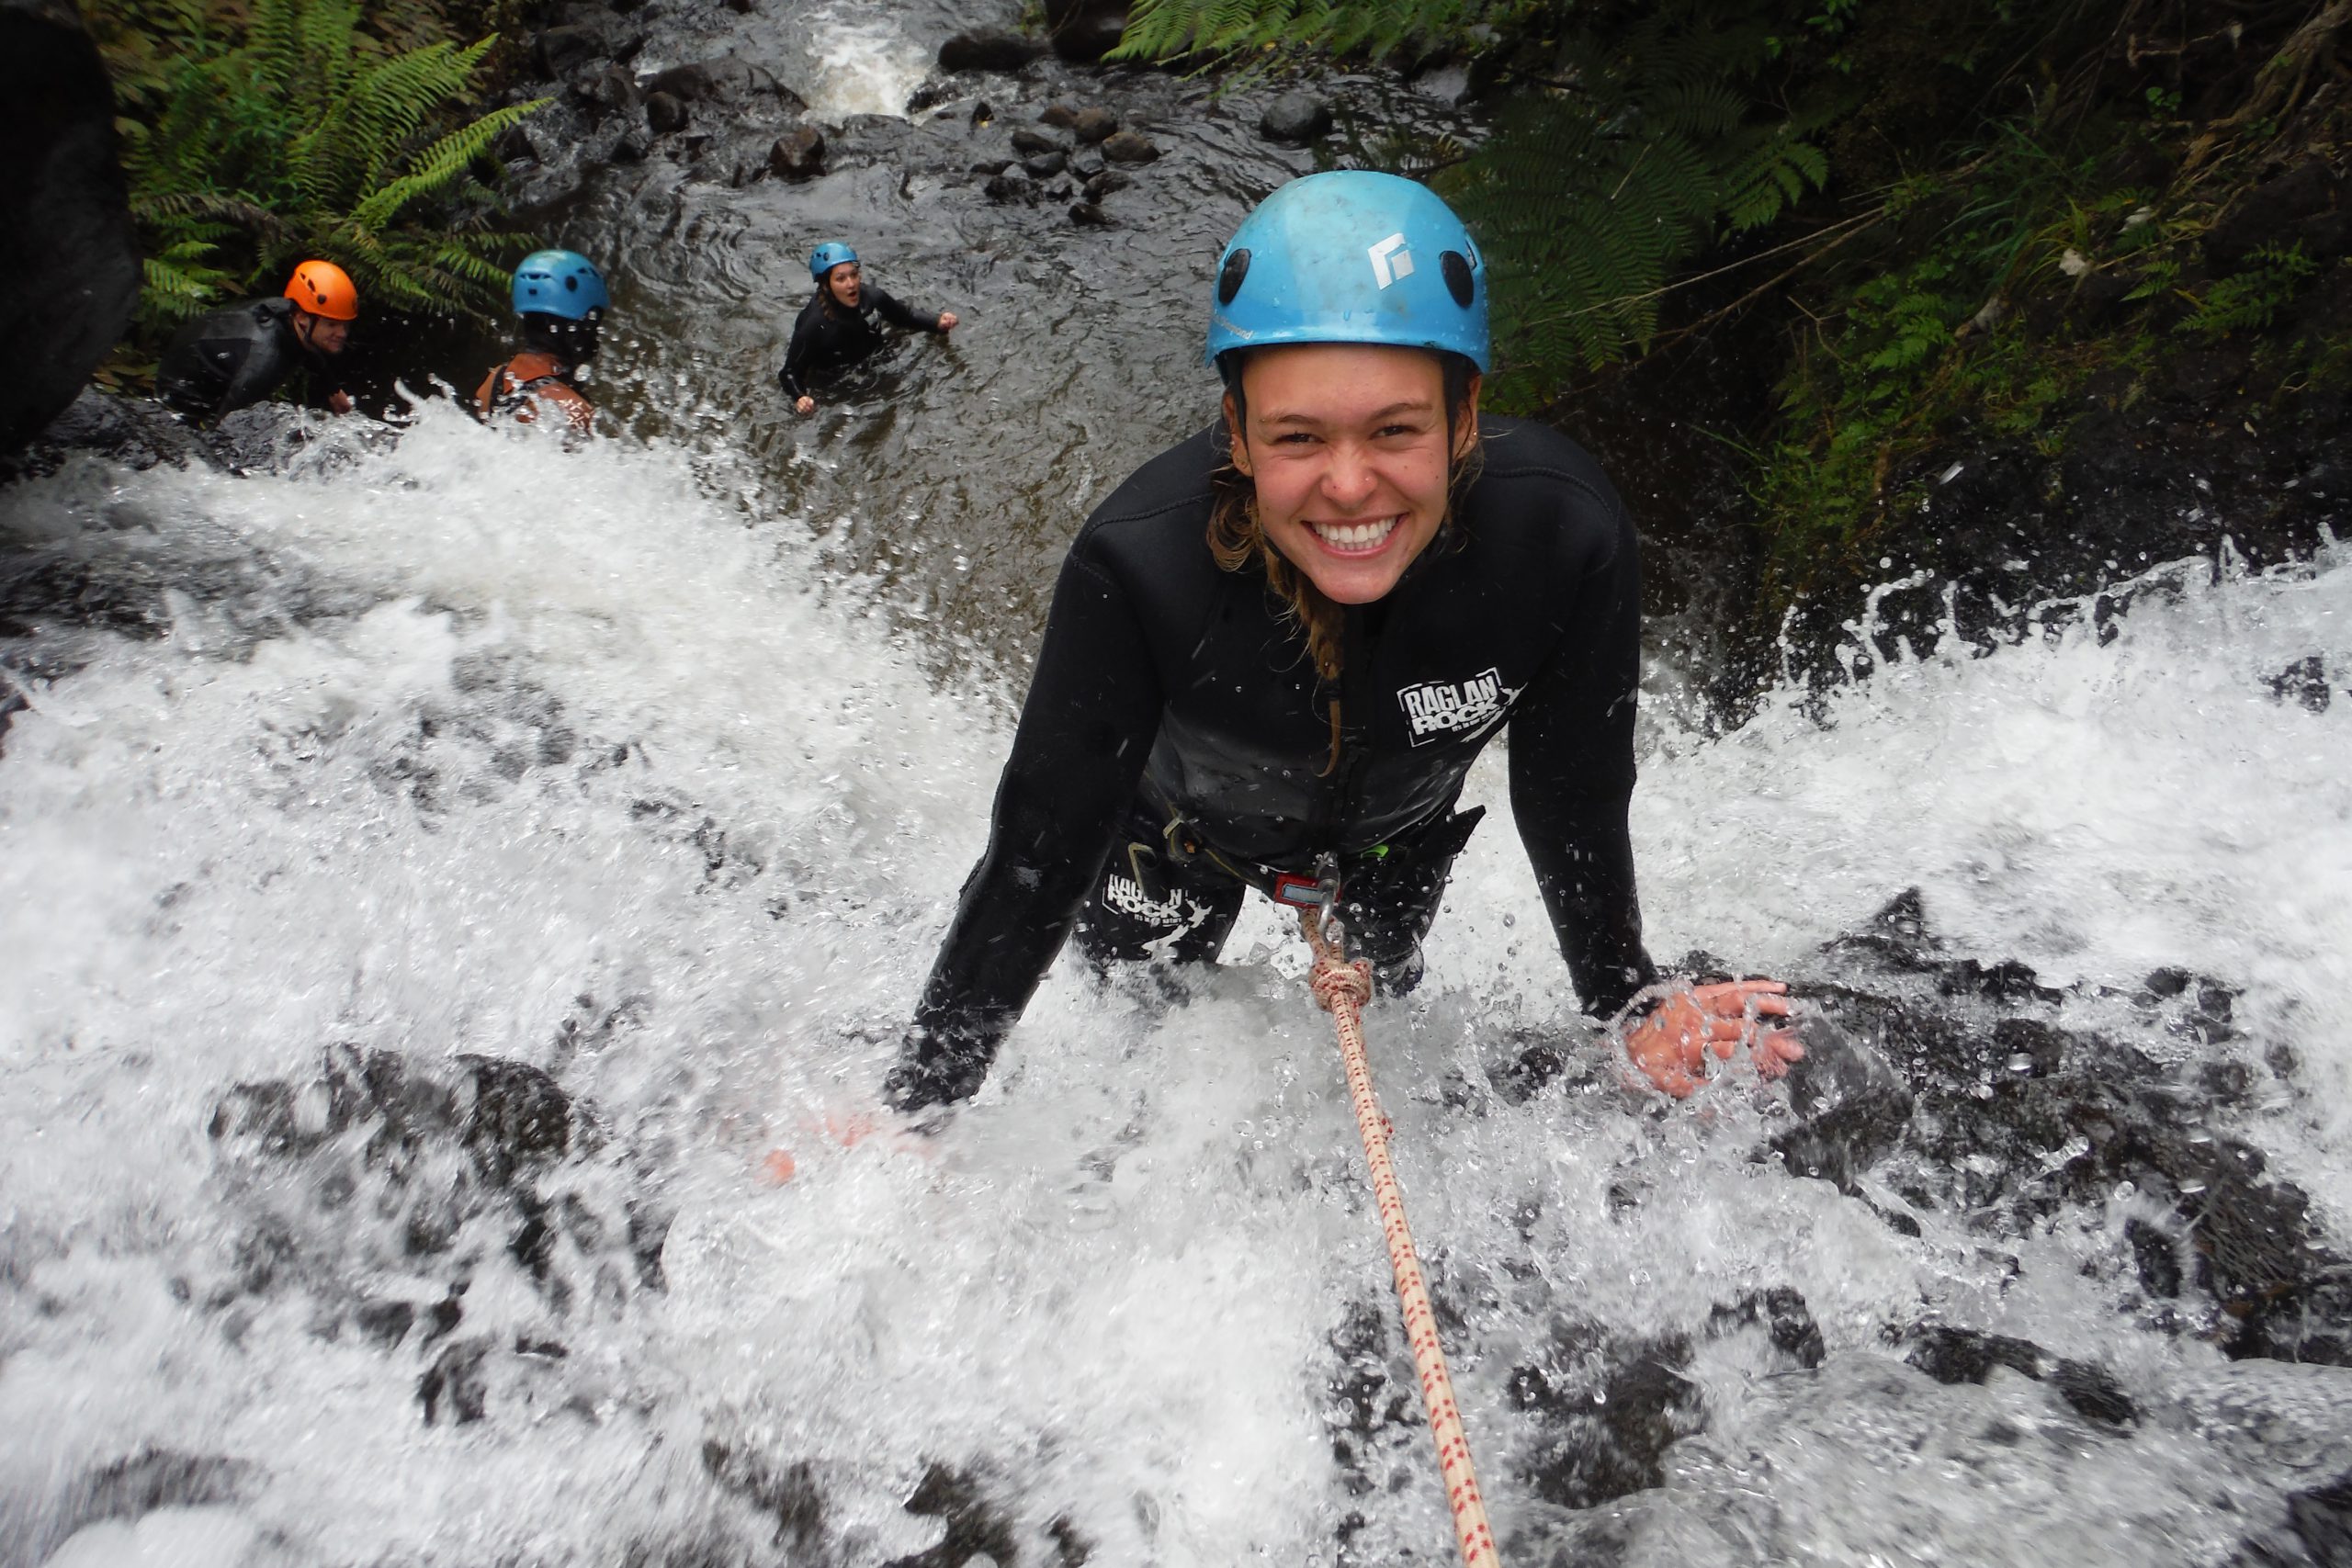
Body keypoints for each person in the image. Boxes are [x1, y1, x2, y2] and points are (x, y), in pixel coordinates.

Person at [883, 171, 1800, 1117]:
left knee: (1383, 1031)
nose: (1351, 487)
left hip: (1394, 845)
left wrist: (1626, 1002)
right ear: (1235, 432)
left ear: (1464, 416)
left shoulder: (1561, 539)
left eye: (1395, 430)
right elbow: (1040, 850)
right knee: (1142, 1053)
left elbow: (1572, 793)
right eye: (1297, 438)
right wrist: (913, 1112)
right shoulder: (1140, 566)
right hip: (1170, 839)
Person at [156, 259, 357, 424]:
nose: (342, 333)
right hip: (181, 390)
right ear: (302, 316)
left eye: (345, 325)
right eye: (331, 325)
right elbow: (229, 428)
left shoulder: (289, 315)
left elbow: (307, 347)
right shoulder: (265, 359)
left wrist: (332, 388)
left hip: (207, 350)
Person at [779, 243, 957, 415]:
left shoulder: (873, 298)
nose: (851, 284)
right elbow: (789, 373)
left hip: (875, 362)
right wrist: (800, 398)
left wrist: (937, 323)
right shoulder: (813, 324)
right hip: (836, 382)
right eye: (841, 279)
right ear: (826, 285)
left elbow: (905, 316)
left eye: (854, 275)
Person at [477, 249, 608, 433]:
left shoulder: (495, 379)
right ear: (582, 324)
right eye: (596, 322)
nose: (597, 334)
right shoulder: (575, 412)